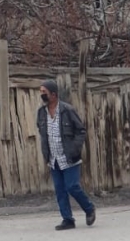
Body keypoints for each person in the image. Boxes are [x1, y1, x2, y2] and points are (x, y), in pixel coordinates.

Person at [36, 79, 96, 230]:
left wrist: (75, 148)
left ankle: (89, 209)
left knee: (72, 186)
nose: (42, 95)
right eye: (41, 92)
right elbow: (42, 131)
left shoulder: (67, 110)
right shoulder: (41, 113)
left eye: (45, 92)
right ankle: (68, 219)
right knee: (60, 190)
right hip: (53, 158)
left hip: (69, 157)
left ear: (54, 95)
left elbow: (81, 130)